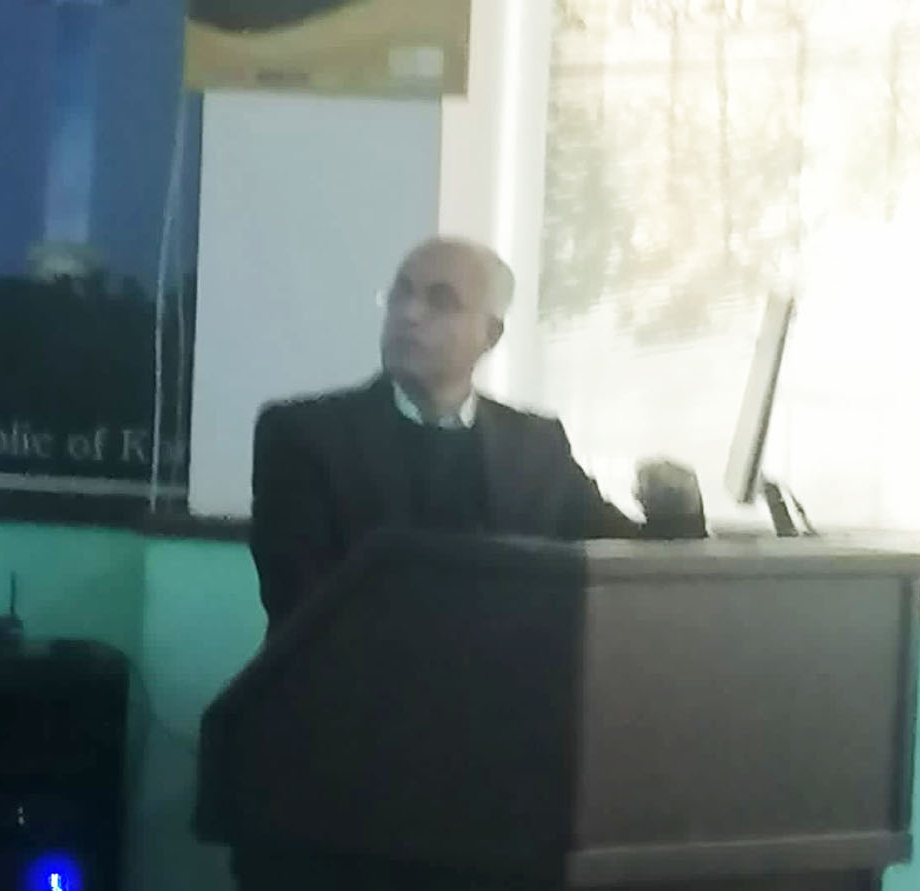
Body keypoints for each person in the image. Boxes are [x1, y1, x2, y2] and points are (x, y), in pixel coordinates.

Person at [250, 236, 705, 626]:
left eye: (440, 301)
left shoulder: (535, 447)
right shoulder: (304, 437)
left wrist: (679, 511)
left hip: (511, 688)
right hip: (353, 693)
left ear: (490, 335)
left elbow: (624, 561)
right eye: (401, 294)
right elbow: (301, 602)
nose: (409, 314)